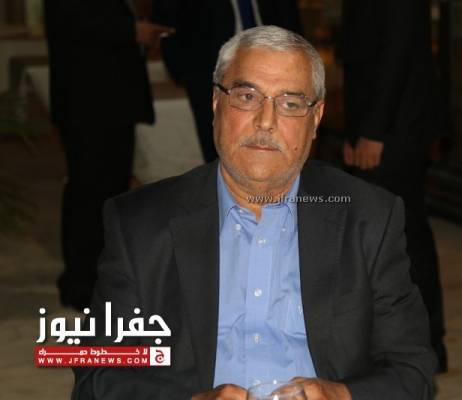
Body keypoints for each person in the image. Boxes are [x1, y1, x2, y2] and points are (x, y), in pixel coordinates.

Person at [71, 26, 436, 400]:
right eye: (247, 97)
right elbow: (96, 376)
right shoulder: (141, 224)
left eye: (290, 103)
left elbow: (412, 371)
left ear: (315, 119)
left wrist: (340, 395)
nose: (266, 121)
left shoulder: (368, 217)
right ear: (216, 104)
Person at [43, 0, 173, 311]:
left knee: (112, 192)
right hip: (87, 101)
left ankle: (105, 277)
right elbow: (73, 20)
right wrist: (131, 31)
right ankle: (82, 283)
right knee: (89, 191)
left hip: (111, 100)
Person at [341, 0, 448, 372]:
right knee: (384, 234)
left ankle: (425, 345)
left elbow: (397, 53)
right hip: (378, 123)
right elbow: (360, 54)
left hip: (396, 128)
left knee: (403, 234)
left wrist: (373, 131)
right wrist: (353, 132)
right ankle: (401, 341)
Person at [151, 0, 302, 163]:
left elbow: (290, 19)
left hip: (275, 65)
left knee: (279, 136)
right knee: (219, 145)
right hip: (209, 71)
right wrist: (182, 72)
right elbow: (168, 18)